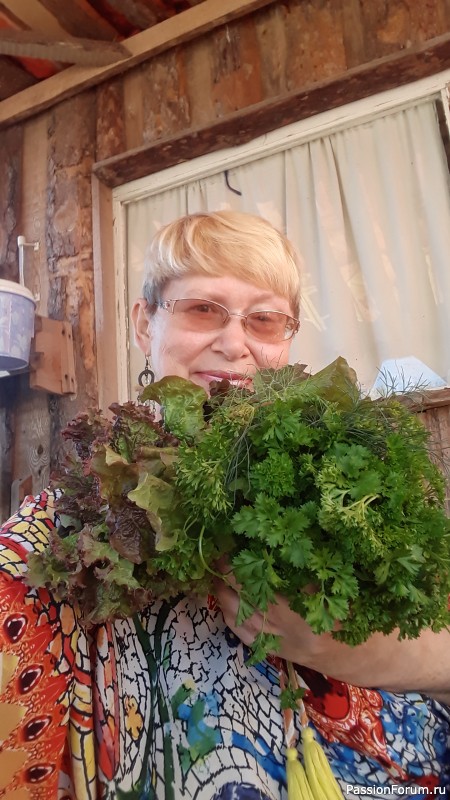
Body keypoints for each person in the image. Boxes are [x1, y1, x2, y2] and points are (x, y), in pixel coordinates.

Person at [0, 210, 448, 800]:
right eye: (202, 309)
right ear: (144, 324)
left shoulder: (349, 492)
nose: (235, 344)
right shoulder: (50, 538)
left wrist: (387, 656)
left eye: (264, 319)